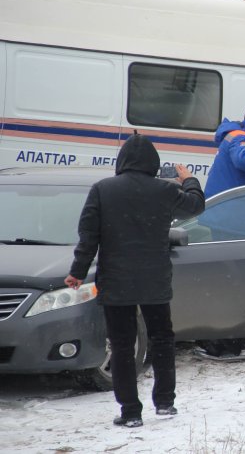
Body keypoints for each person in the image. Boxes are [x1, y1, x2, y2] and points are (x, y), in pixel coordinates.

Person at [65, 134, 205, 428]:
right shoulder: (163, 190)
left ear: (122, 160)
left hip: (116, 280)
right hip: (154, 279)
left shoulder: (102, 190)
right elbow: (195, 207)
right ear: (152, 163)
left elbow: (88, 235)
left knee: (122, 345)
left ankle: (130, 411)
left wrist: (78, 271)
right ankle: (165, 401)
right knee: (163, 338)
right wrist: (189, 179)